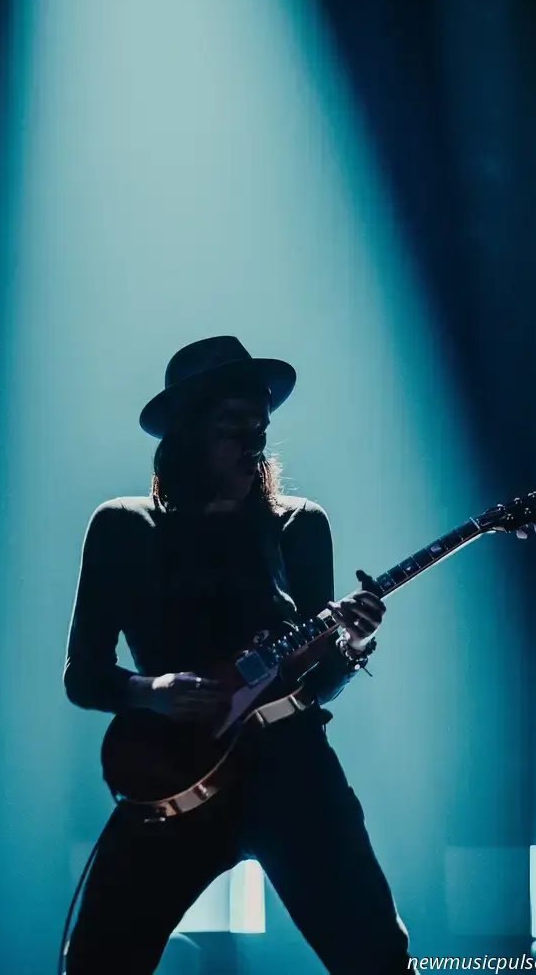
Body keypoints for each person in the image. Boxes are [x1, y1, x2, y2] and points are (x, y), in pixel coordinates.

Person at [63, 336, 411, 974]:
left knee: (378, 957)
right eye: (233, 426)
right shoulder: (124, 526)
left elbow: (316, 681)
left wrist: (352, 646)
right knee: (96, 962)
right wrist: (154, 691)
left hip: (292, 772)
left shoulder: (299, 525)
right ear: (189, 434)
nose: (254, 440)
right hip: (172, 776)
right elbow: (82, 676)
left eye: (261, 425)